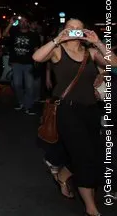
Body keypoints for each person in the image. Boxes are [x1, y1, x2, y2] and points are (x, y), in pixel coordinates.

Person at [33, 19, 115, 216]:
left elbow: (114, 63)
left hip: (91, 110)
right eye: (71, 28)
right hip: (67, 111)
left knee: (94, 154)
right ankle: (90, 206)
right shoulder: (57, 50)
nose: (75, 31)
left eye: (79, 28)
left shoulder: (91, 52)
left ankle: (63, 174)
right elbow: (37, 57)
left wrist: (98, 43)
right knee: (85, 157)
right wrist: (57, 39)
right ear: (64, 29)